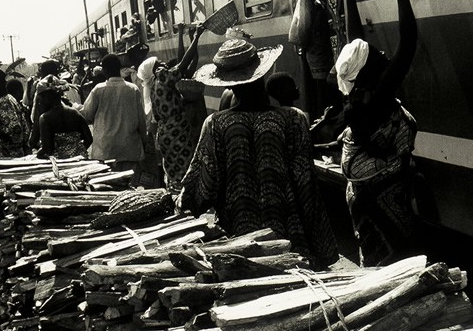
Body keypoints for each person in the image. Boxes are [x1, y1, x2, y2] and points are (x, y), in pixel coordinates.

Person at [179, 36, 338, 269]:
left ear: (228, 84)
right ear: (262, 73)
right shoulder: (293, 120)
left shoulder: (215, 125)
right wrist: (319, 245)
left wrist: (185, 203)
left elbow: (205, 187)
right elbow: (307, 186)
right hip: (288, 239)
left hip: (238, 241)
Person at [325, 0, 418, 267]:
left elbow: (354, 40)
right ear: (369, 69)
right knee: (395, 267)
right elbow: (408, 42)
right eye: (376, 54)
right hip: (383, 199)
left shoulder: (359, 91)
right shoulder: (378, 96)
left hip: (363, 199)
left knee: (374, 261)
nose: (381, 52)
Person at [151, 22, 208, 197]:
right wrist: (197, 36)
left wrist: (183, 34)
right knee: (185, 167)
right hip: (177, 131)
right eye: (159, 65)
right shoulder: (163, 77)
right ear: (157, 71)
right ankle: (185, 200)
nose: (163, 64)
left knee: (175, 169)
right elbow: (183, 63)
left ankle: (176, 196)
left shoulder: (157, 82)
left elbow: (182, 62)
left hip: (167, 131)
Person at [81, 52, 147, 180]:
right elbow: (141, 120)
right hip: (130, 148)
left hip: (105, 150)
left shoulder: (98, 90)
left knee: (109, 188)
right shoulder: (133, 89)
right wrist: (144, 141)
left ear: (104, 71)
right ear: (119, 68)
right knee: (129, 190)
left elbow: (86, 114)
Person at [32, 77, 92, 159]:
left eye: (41, 98)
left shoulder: (45, 118)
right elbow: (89, 139)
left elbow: (47, 148)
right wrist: (76, 151)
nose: (40, 102)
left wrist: (37, 156)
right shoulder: (75, 113)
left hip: (60, 163)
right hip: (79, 159)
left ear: (47, 97)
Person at [0, 68, 30, 161]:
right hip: (7, 157)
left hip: (8, 158)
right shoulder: (6, 99)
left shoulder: (4, 103)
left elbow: (15, 129)